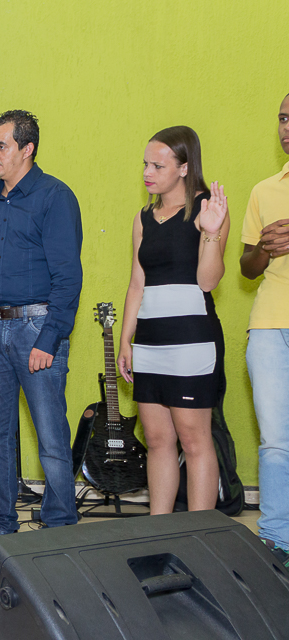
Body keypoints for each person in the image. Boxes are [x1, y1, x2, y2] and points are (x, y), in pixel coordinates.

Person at [0, 110, 82, 559]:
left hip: (37, 327)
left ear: (26, 149)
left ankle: (59, 529)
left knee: (51, 439)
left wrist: (49, 339)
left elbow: (68, 277)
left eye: (1, 146)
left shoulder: (55, 197)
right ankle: (0, 529)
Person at [116, 126, 229, 515]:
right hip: (150, 341)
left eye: (158, 166)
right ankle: (158, 530)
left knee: (194, 441)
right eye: (145, 164)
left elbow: (208, 281)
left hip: (191, 342)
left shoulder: (208, 209)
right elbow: (137, 284)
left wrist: (211, 233)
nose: (147, 172)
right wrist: (126, 340)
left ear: (184, 168)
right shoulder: (143, 217)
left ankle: (198, 533)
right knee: (157, 440)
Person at [239, 93, 289, 569]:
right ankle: (276, 541)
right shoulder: (264, 190)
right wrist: (265, 249)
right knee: (275, 440)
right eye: (283, 118)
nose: (287, 127)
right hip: (270, 326)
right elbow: (247, 267)